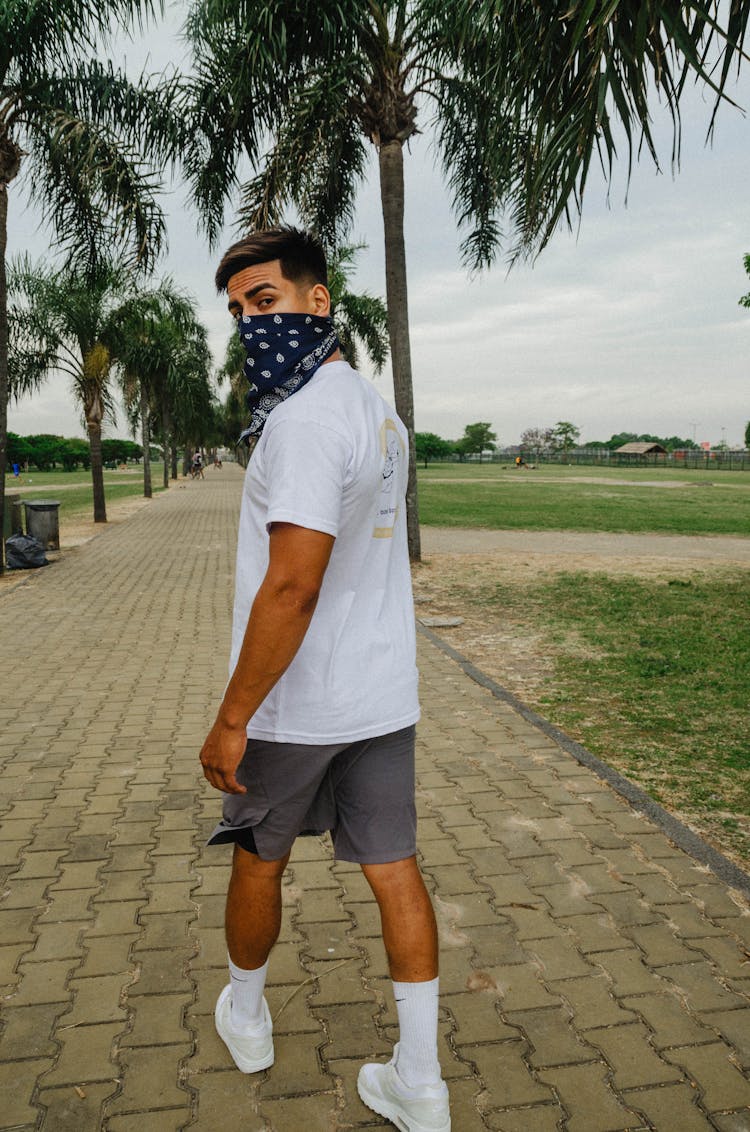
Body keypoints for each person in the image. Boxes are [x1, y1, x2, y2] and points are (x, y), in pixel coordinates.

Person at [199, 227, 450, 1132]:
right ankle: (419, 1084)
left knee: (259, 856)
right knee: (394, 869)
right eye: (236, 311)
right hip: (382, 694)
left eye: (263, 301)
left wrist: (233, 718)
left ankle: (250, 1017)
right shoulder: (379, 414)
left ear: (317, 298)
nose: (249, 323)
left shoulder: (303, 421)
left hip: (297, 706)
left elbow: (294, 584)